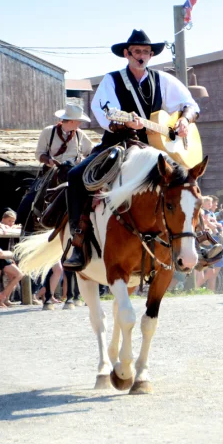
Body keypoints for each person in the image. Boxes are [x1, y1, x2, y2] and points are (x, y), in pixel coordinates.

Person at [63, 29, 201, 271]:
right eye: (137, 51)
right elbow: (106, 112)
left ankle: (200, 239)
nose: (141, 56)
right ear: (127, 54)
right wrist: (124, 123)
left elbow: (190, 104)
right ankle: (78, 240)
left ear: (151, 55)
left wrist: (185, 121)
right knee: (76, 177)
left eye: (146, 52)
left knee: (188, 182)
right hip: (119, 142)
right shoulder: (112, 80)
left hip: (156, 148)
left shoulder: (163, 80)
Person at [35, 103, 95, 167]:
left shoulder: (80, 134)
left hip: (72, 170)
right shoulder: (48, 131)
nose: (80, 123)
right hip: (53, 170)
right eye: (79, 121)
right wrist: (49, 160)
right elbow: (39, 154)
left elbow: (90, 152)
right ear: (71, 121)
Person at [0, 211, 24, 307]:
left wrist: (14, 226)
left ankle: (4, 295)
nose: (11, 223)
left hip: (4, 256)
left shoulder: (9, 228)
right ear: (3, 219)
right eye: (9, 221)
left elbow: (17, 227)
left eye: (13, 221)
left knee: (19, 274)